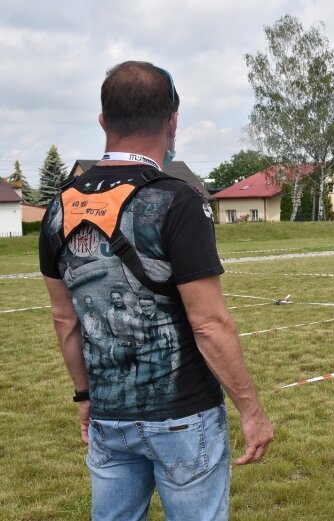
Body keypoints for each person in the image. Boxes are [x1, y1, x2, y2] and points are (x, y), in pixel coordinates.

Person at [39, 60, 273, 520]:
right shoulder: (179, 198)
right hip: (183, 414)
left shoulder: (59, 206)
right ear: (173, 120)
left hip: (109, 413)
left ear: (103, 119)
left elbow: (64, 319)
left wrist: (84, 396)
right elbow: (208, 322)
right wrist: (251, 408)